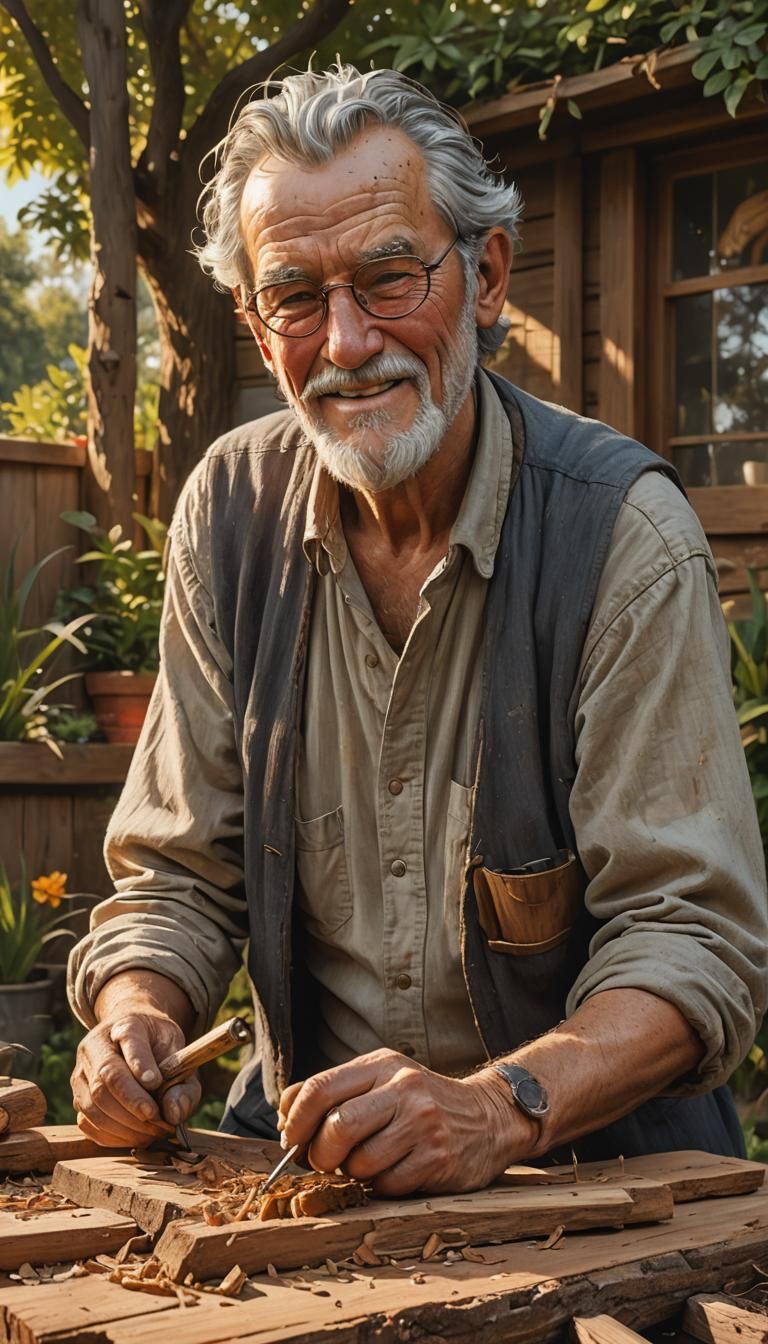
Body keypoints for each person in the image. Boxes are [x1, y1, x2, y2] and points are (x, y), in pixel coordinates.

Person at [68, 65, 767, 1197]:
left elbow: (694, 942)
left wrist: (495, 1113)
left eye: (390, 276)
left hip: (598, 1183)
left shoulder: (620, 534)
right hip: (314, 1172)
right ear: (257, 325)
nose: (345, 342)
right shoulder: (229, 512)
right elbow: (176, 876)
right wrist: (135, 1014)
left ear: (486, 277)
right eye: (295, 296)